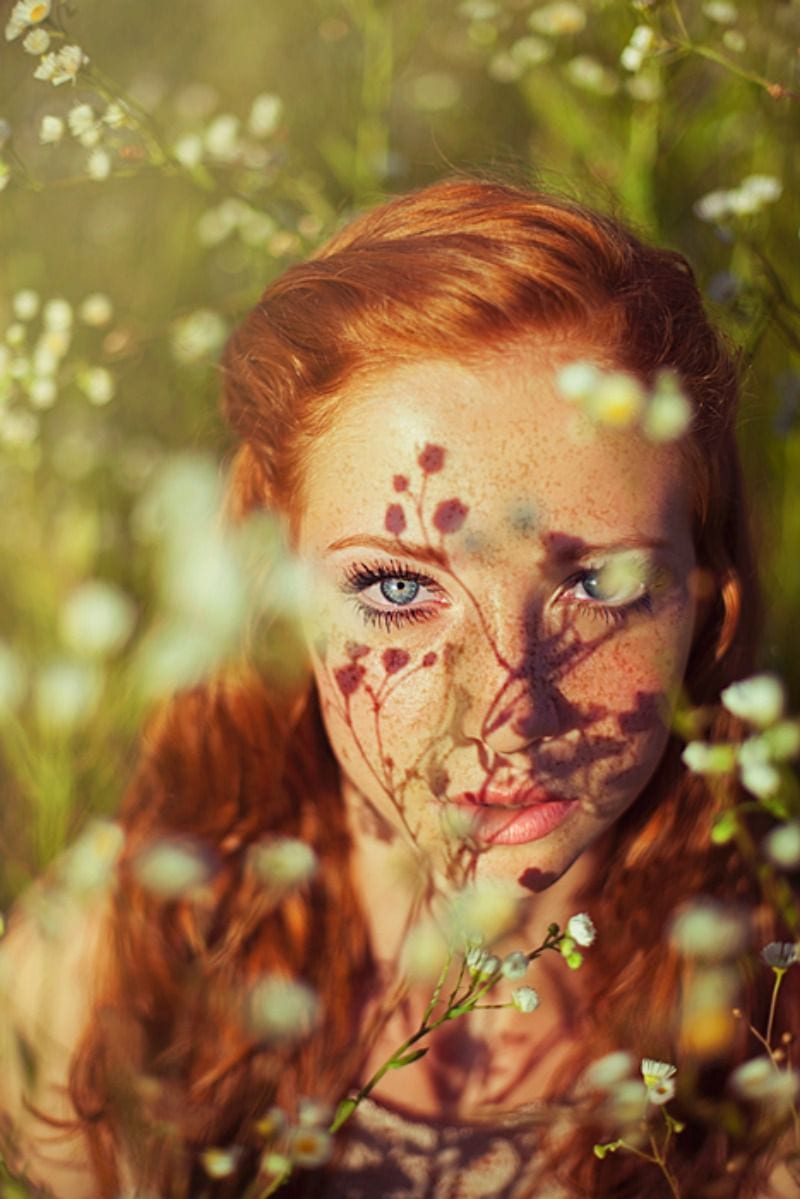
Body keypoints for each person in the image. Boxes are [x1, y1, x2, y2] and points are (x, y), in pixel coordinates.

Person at [0, 177, 794, 1199]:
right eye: (394, 586)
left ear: (704, 610)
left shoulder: (769, 1045)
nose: (507, 710)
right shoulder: (108, 980)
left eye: (601, 583)